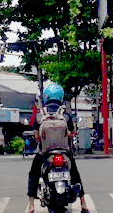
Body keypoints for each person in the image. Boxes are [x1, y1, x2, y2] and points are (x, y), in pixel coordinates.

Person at [27, 84, 89, 213]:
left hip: (45, 152)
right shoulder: (65, 115)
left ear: (46, 97)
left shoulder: (40, 115)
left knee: (34, 174)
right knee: (75, 174)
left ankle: (31, 205)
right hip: (64, 152)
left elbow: (37, 136)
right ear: (60, 97)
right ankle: (83, 203)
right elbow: (72, 133)